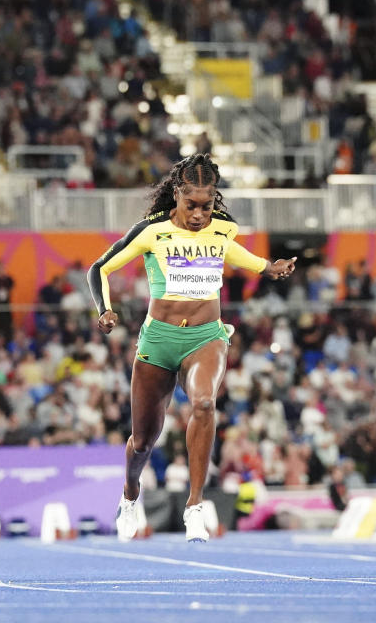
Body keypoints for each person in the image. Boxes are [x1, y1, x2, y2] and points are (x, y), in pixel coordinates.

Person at [86, 154, 296, 542]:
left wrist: (267, 267)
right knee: (143, 440)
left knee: (203, 403)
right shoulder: (151, 231)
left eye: (207, 205)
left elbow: (229, 252)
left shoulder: (223, 228)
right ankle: (131, 494)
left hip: (206, 336)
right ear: (177, 195)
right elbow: (99, 268)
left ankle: (194, 506)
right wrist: (106, 310)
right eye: (191, 205)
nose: (200, 214)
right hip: (159, 341)